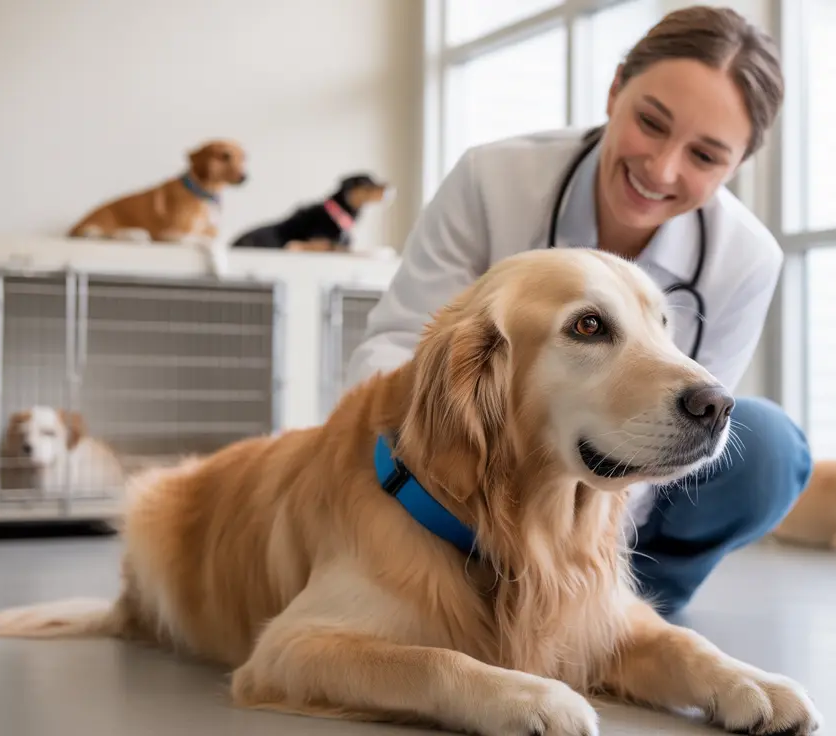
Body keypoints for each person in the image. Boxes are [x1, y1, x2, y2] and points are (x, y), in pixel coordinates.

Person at [346, 5, 809, 617]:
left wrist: (567, 555)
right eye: (650, 121)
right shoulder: (493, 178)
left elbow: (681, 430)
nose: (661, 167)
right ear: (615, 89)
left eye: (704, 157)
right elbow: (394, 349)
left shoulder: (746, 259)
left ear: (736, 166)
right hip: (456, 485)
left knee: (771, 448)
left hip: (615, 507)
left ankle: (619, 608)